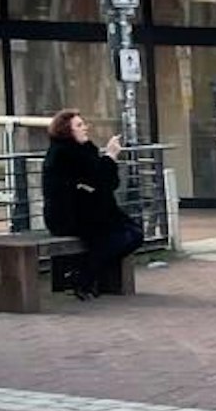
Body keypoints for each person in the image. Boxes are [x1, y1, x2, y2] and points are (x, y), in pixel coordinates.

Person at [41, 110, 144, 301]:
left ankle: (86, 276)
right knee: (118, 237)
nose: (85, 128)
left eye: (83, 124)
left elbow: (105, 184)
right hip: (69, 216)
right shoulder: (63, 154)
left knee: (133, 233)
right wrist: (110, 157)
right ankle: (84, 277)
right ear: (67, 131)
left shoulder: (85, 150)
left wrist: (107, 161)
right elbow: (98, 181)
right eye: (79, 125)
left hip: (90, 211)